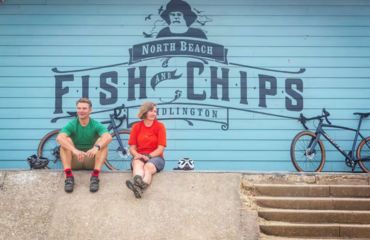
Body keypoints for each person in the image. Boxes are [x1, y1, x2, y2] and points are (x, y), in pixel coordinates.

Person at [56, 98, 112, 193]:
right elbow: (59, 138)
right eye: (79, 108)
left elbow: (108, 136)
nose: (81, 111)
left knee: (102, 142)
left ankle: (95, 177)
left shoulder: (95, 124)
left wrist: (96, 148)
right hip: (75, 159)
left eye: (84, 108)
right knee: (65, 141)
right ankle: (69, 177)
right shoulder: (72, 124)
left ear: (90, 110)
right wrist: (74, 150)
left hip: (91, 159)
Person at [125, 102, 167, 198]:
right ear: (144, 112)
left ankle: (140, 185)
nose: (154, 113)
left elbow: (160, 148)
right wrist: (137, 155)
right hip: (140, 155)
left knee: (147, 167)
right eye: (151, 111)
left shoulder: (160, 126)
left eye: (155, 111)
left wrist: (149, 156)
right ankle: (138, 182)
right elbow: (132, 148)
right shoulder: (136, 127)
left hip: (156, 158)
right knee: (137, 163)